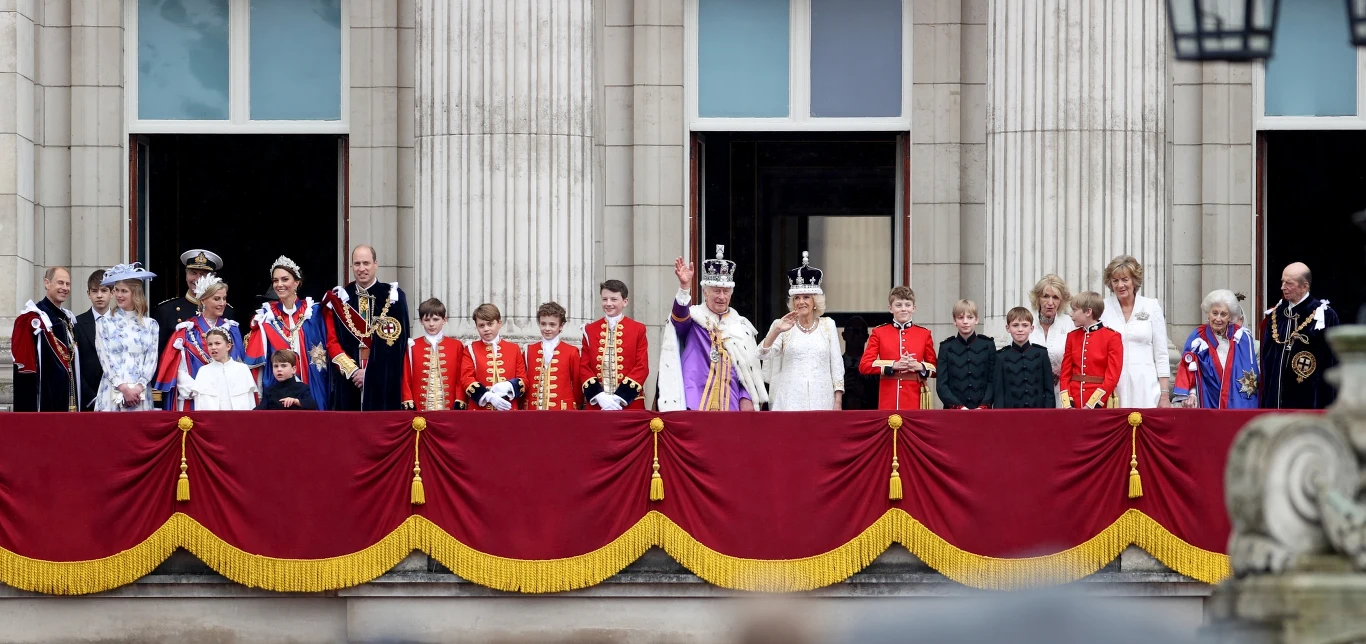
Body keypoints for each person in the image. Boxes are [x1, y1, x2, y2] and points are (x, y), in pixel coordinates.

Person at [657, 247, 767, 411]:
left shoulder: (742, 326)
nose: (721, 296)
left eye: (725, 291)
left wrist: (747, 397)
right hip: (694, 398)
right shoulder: (694, 318)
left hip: (730, 401)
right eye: (716, 291)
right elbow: (679, 319)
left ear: (731, 293)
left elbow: (749, 367)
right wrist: (684, 288)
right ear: (705, 292)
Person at [324, 245, 410, 411]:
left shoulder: (394, 297)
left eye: (366, 263)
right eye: (357, 264)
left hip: (383, 382)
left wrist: (370, 374)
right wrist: (354, 371)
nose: (361, 269)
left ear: (375, 264)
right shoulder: (340, 299)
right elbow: (332, 342)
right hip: (349, 382)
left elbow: (398, 346)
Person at [758, 252, 845, 411]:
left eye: (806, 297)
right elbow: (762, 354)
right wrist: (776, 330)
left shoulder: (828, 325)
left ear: (815, 302)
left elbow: (837, 366)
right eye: (797, 298)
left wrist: (837, 401)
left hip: (822, 399)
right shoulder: (783, 325)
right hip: (790, 401)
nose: (801, 302)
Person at [245, 256, 332, 410]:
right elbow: (258, 358)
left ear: (296, 282)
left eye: (285, 279)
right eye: (275, 280)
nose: (279, 285)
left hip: (313, 379)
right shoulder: (266, 316)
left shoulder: (314, 311)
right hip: (279, 383)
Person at [153, 274, 247, 411]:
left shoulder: (231, 330)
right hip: (195, 399)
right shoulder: (186, 331)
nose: (222, 303)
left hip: (226, 399)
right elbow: (178, 369)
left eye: (224, 298)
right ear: (203, 300)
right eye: (217, 299)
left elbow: (239, 365)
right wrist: (198, 391)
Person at [1260, 262, 1339, 409]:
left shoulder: (1325, 315)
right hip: (1275, 403)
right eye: (1282, 282)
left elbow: (1333, 362)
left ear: (1305, 286)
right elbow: (1267, 363)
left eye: (1289, 283)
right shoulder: (1275, 315)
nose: (1283, 287)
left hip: (1310, 403)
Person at [1100, 256, 1172, 408]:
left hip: (1146, 386)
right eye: (1115, 281)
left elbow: (1161, 353)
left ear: (1134, 281)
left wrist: (1164, 393)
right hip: (1112, 387)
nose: (1120, 285)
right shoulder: (1102, 308)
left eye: (1125, 279)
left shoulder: (1151, 306)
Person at [1174, 289, 1259, 409]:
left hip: (1236, 402)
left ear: (1230, 317)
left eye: (1223, 314)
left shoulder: (1242, 337)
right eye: (1215, 313)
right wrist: (1192, 393)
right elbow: (1189, 369)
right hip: (1207, 398)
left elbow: (1251, 374)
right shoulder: (1198, 336)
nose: (1218, 319)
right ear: (1208, 314)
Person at [11, 267, 80, 412]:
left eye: (68, 284)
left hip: (68, 395)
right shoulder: (32, 319)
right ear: (47, 283)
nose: (65, 288)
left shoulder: (67, 318)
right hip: (45, 400)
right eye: (60, 283)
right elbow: (25, 372)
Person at [94, 263, 160, 412]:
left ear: (135, 293)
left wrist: (138, 387)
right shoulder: (104, 323)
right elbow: (105, 358)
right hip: (112, 391)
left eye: (124, 291)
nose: (118, 295)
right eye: (116, 290)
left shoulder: (151, 325)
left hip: (140, 393)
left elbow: (151, 359)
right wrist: (123, 387)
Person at [858, 286, 937, 410]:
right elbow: (864, 365)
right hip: (888, 398)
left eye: (907, 305)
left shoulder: (924, 334)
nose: (903, 309)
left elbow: (935, 368)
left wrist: (919, 366)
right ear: (891, 309)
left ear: (913, 308)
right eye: (898, 305)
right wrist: (894, 365)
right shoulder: (879, 332)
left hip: (915, 399)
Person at [580, 280, 649, 410]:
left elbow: (642, 366)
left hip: (630, 403)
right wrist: (599, 396)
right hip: (598, 404)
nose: (608, 303)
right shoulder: (589, 330)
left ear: (625, 302)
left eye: (614, 299)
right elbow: (584, 367)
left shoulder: (638, 329)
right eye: (604, 299)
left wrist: (620, 397)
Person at [153, 249, 235, 358]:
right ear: (186, 275)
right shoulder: (166, 310)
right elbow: (160, 356)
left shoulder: (226, 311)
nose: (197, 279)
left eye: (203, 274)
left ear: (213, 277)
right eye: (193, 273)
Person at [1059, 292, 1123, 409]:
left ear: (1088, 312)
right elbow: (1065, 373)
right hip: (1074, 400)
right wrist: (1067, 403)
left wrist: (1092, 403)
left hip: (1099, 402)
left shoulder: (1112, 337)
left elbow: (1112, 376)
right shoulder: (1072, 337)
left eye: (1074, 310)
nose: (1070, 314)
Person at [400, 298, 466, 411]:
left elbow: (461, 377)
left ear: (444, 320)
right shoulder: (412, 346)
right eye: (427, 320)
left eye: (436, 319)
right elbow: (405, 377)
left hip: (450, 408)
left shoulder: (456, 345)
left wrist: (460, 399)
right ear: (421, 321)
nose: (431, 324)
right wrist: (408, 399)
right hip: (420, 408)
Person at [460, 303, 526, 411]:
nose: (486, 329)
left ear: (499, 323)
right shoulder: (470, 349)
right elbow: (466, 379)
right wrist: (487, 396)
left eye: (490, 324)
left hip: (508, 409)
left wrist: (509, 386)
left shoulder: (514, 349)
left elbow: (523, 380)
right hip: (480, 411)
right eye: (481, 325)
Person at [936, 299, 995, 410]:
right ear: (954, 321)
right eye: (960, 317)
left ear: (976, 320)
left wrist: (983, 406)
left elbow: (992, 381)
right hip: (953, 412)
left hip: (982, 411)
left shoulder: (988, 345)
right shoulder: (946, 347)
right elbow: (941, 385)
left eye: (970, 317)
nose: (965, 321)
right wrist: (959, 407)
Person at [993, 307, 1056, 409]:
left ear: (1031, 328)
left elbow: (1049, 389)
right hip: (1010, 414)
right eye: (1015, 325)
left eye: (1025, 325)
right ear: (1008, 328)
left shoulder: (1041, 354)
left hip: (1038, 413)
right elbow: (999, 393)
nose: (1020, 329)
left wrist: (1048, 414)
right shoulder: (1001, 357)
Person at [526, 301, 583, 410]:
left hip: (562, 411)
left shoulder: (571, 351)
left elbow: (577, 385)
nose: (547, 328)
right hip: (532, 411)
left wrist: (577, 406)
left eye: (552, 324)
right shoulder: (529, 350)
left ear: (561, 326)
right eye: (543, 324)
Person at [187, 328, 258, 411]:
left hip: (238, 420)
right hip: (213, 421)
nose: (213, 347)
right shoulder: (203, 371)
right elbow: (199, 404)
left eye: (217, 343)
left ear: (228, 346)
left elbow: (250, 401)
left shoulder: (242, 369)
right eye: (210, 344)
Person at [74, 270, 111, 411]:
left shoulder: (121, 323)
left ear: (112, 293)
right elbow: (75, 365)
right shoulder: (77, 324)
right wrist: (91, 398)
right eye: (94, 291)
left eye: (104, 290)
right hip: (88, 400)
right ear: (88, 294)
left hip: (116, 398)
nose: (99, 295)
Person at [1028, 274, 1076, 377]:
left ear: (1061, 301)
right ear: (1038, 298)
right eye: (1045, 296)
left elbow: (1082, 357)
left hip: (1062, 387)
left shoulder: (1071, 324)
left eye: (1055, 297)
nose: (1050, 302)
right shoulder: (1025, 323)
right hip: (1030, 388)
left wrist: (1063, 368)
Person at [840, 317, 880, 410]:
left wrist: (865, 393)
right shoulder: (834, 366)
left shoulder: (874, 369)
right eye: (851, 330)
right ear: (844, 335)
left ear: (866, 337)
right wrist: (841, 388)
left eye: (860, 331)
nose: (855, 334)